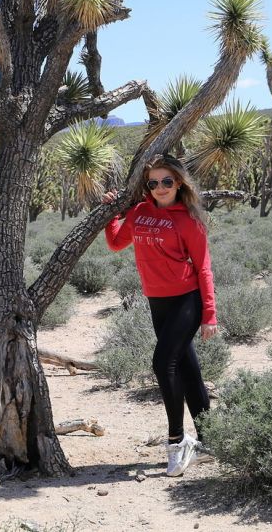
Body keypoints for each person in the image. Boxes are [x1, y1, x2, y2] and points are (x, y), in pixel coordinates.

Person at [101, 153, 217, 477]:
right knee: (188, 369)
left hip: (186, 300)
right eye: (153, 183)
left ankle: (177, 442)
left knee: (162, 362)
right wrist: (111, 214)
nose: (160, 187)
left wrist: (209, 314)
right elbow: (115, 244)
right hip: (157, 300)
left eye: (167, 181)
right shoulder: (139, 212)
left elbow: (204, 268)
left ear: (178, 182)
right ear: (147, 186)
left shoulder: (189, 219)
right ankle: (213, 439)